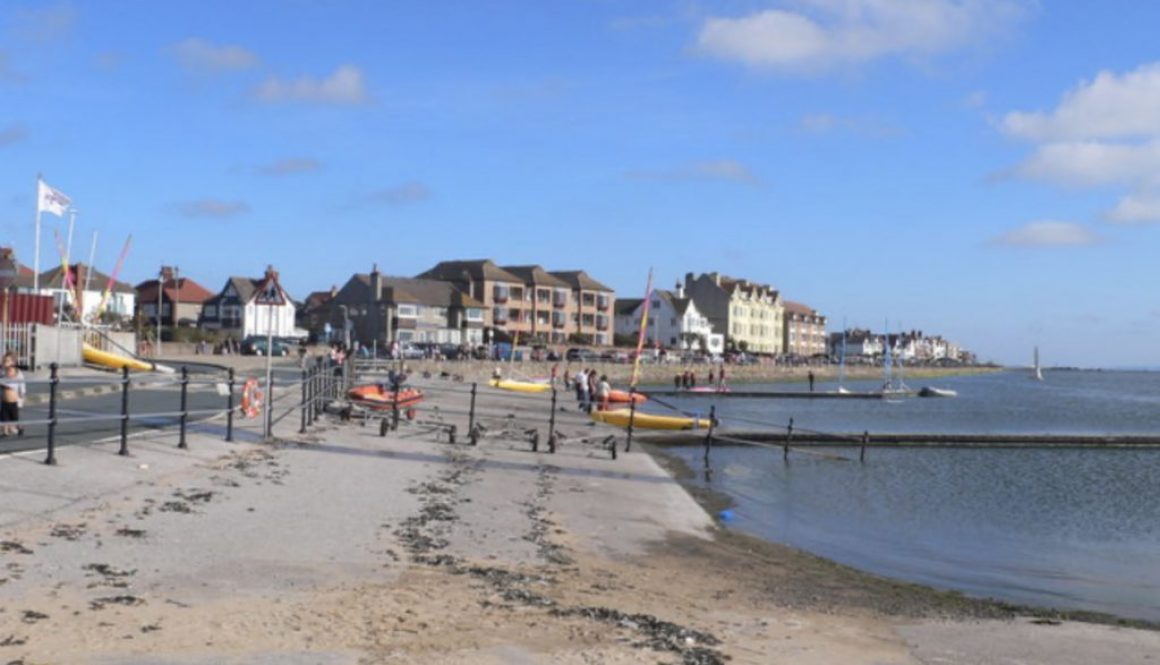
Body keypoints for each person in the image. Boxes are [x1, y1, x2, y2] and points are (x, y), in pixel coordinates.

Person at [0, 357, 26, 437]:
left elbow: (21, 385)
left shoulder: (17, 373)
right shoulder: (2, 372)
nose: (5, 362)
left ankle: (19, 427)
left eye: (8, 361)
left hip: (13, 401)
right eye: (4, 361)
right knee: (4, 417)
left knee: (14, 418)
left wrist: (21, 396)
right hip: (4, 400)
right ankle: (5, 432)